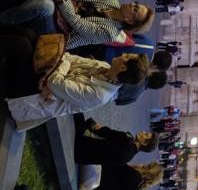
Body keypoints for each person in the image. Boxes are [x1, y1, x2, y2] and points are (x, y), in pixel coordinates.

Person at [1, 39, 149, 131]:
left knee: (22, 45)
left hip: (36, 97)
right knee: (29, 36)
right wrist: (56, 76)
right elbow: (68, 57)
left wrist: (56, 78)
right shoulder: (103, 66)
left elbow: (55, 82)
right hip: (45, 83)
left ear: (123, 68)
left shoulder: (100, 95)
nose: (123, 54)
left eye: (127, 56)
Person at [0, 0, 154, 49]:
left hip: (59, 35)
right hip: (64, 8)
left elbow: (77, 24)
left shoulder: (110, 32)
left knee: (45, 4)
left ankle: (4, 19)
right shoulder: (112, 1)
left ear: (129, 21)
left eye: (134, 10)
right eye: (135, 4)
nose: (131, 5)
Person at [74, 117, 157, 165]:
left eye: (145, 134)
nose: (143, 132)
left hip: (81, 143)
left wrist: (93, 124)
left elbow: (103, 131)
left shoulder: (127, 139)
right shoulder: (129, 158)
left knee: (77, 113)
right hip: (82, 159)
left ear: (144, 143)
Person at [81, 161, 164, 190]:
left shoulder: (133, 174)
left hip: (88, 179)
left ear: (149, 169)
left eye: (148, 165)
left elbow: (109, 164)